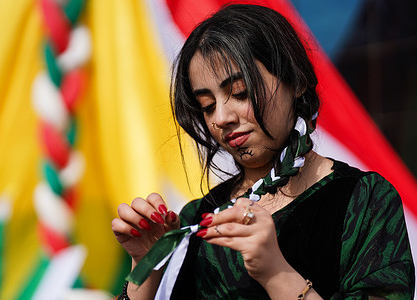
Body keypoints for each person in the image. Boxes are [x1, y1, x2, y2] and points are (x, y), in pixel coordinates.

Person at [112, 4, 414, 299]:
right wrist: (147, 266)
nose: (221, 118)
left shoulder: (365, 201)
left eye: (240, 93)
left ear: (295, 81)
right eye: (207, 105)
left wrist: (275, 274)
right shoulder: (194, 219)